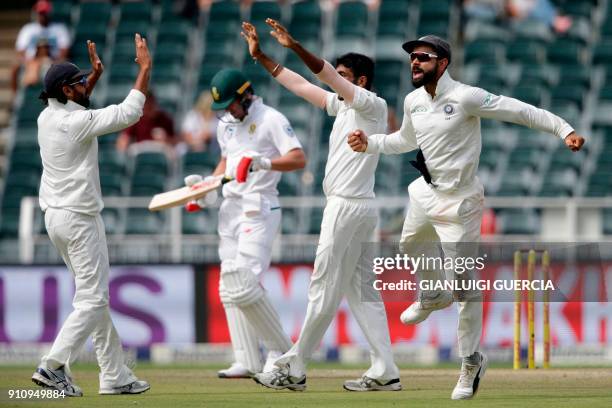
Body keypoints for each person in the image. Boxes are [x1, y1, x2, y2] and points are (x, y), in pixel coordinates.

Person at [347, 35, 585, 400]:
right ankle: (431, 292)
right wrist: (372, 143)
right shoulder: (413, 102)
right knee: (410, 243)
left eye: (422, 57)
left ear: (442, 63)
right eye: (412, 57)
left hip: (461, 203)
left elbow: (519, 110)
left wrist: (563, 129)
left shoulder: (466, 97)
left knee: (465, 284)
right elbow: (404, 140)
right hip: (428, 193)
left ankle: (471, 361)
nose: (414, 62)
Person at [241, 19, 401, 392]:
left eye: (345, 75)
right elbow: (299, 84)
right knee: (361, 291)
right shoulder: (343, 107)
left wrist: (295, 45)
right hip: (358, 208)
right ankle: (386, 368)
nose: (336, 80)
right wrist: (263, 56)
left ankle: (294, 367)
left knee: (322, 287)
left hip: (347, 208)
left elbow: (324, 74)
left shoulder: (371, 105)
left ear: (360, 80)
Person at [32, 34, 153, 397]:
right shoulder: (75, 124)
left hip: (56, 218)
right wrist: (145, 68)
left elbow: (79, 109)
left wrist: (93, 78)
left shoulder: (46, 116)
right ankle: (52, 366)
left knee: (92, 297)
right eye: (81, 82)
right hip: (79, 219)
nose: (86, 84)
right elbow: (129, 113)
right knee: (93, 300)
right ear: (67, 91)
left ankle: (114, 374)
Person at [184, 68, 306, 378]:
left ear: (246, 95)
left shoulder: (271, 119)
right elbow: (226, 162)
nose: (226, 111)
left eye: (230, 104)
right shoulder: (226, 126)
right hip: (231, 209)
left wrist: (264, 162)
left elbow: (297, 159)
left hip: (259, 207)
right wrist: (207, 187)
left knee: (245, 283)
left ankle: (282, 356)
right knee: (229, 286)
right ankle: (248, 359)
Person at [11, 0, 70, 94]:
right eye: (40, 13)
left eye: (44, 13)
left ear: (49, 13)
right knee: (16, 67)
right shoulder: (28, 29)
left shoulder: (59, 29)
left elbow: (64, 51)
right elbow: (20, 50)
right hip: (31, 60)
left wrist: (56, 61)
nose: (42, 15)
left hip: (52, 60)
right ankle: (16, 99)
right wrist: (27, 61)